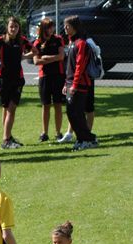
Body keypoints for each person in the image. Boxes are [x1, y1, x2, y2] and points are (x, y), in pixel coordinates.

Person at [0, 17, 33, 149]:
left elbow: (35, 50)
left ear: (19, 28)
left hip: (17, 80)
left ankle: (7, 137)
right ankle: (6, 139)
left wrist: (24, 56)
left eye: (16, 26)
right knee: (7, 108)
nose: (13, 29)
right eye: (11, 26)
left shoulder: (22, 40)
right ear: (7, 27)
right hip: (3, 79)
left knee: (11, 109)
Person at [62, 15, 97, 151]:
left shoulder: (81, 43)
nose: (65, 28)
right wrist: (66, 84)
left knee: (76, 113)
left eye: (67, 26)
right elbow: (69, 67)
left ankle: (87, 139)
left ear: (74, 27)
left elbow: (79, 66)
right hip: (70, 83)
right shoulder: (71, 42)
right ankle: (83, 138)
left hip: (79, 85)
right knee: (71, 113)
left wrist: (74, 85)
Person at [32, 18, 66, 142]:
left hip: (58, 75)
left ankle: (58, 133)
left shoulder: (58, 39)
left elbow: (61, 56)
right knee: (45, 105)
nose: (51, 29)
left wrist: (46, 57)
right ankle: (44, 133)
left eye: (52, 27)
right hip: (44, 76)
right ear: (43, 28)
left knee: (58, 104)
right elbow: (36, 61)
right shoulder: (37, 42)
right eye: (48, 27)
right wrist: (52, 58)